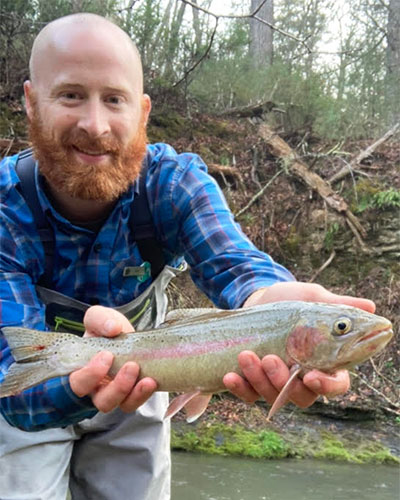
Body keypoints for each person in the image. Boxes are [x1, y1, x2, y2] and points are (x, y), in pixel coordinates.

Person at [0, 12, 375, 500]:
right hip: (38, 389)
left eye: (115, 99)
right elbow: (12, 384)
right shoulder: (5, 205)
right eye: (71, 95)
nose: (95, 125)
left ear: (143, 112)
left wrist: (269, 297)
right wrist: (76, 383)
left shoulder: (173, 182)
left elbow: (236, 263)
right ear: (31, 103)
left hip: (148, 379)